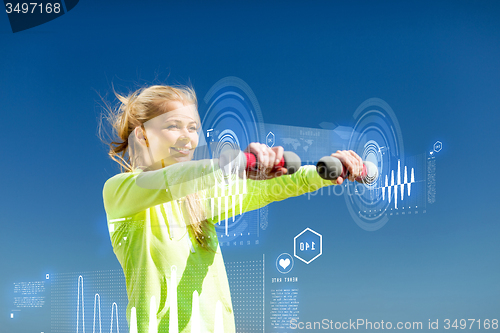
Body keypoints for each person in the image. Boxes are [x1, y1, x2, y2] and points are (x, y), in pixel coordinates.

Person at [102, 84, 364, 333]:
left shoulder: (198, 200)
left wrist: (323, 171)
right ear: (142, 134)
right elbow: (172, 180)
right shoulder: (121, 193)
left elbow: (264, 189)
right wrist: (238, 163)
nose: (187, 137)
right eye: (173, 125)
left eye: (193, 128)